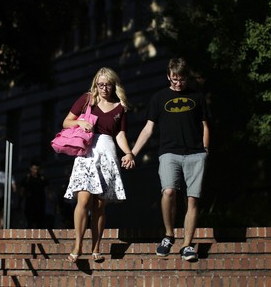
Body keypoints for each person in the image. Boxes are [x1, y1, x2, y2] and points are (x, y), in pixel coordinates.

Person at [126, 57, 209, 262]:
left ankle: (187, 245)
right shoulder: (159, 97)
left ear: (186, 78)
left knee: (192, 198)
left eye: (181, 79)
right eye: (174, 79)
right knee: (169, 191)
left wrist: (205, 150)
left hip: (195, 153)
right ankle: (169, 235)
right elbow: (148, 129)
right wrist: (132, 152)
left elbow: (205, 125)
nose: (178, 83)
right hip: (169, 152)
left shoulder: (197, 97)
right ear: (168, 77)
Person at [62, 67, 134, 263]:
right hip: (87, 153)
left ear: (113, 85)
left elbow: (120, 134)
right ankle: (77, 245)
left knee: (100, 206)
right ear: (96, 84)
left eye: (107, 84)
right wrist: (80, 123)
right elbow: (66, 122)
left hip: (107, 154)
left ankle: (96, 248)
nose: (103, 88)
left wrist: (128, 153)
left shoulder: (120, 107)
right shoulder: (87, 100)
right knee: (83, 200)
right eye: (100, 84)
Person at [19, 159, 47, 229]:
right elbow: (22, 190)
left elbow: (47, 189)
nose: (36, 171)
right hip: (30, 202)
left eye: (37, 169)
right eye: (34, 169)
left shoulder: (42, 178)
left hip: (40, 203)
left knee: (39, 221)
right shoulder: (27, 178)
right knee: (30, 221)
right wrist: (20, 201)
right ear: (31, 168)